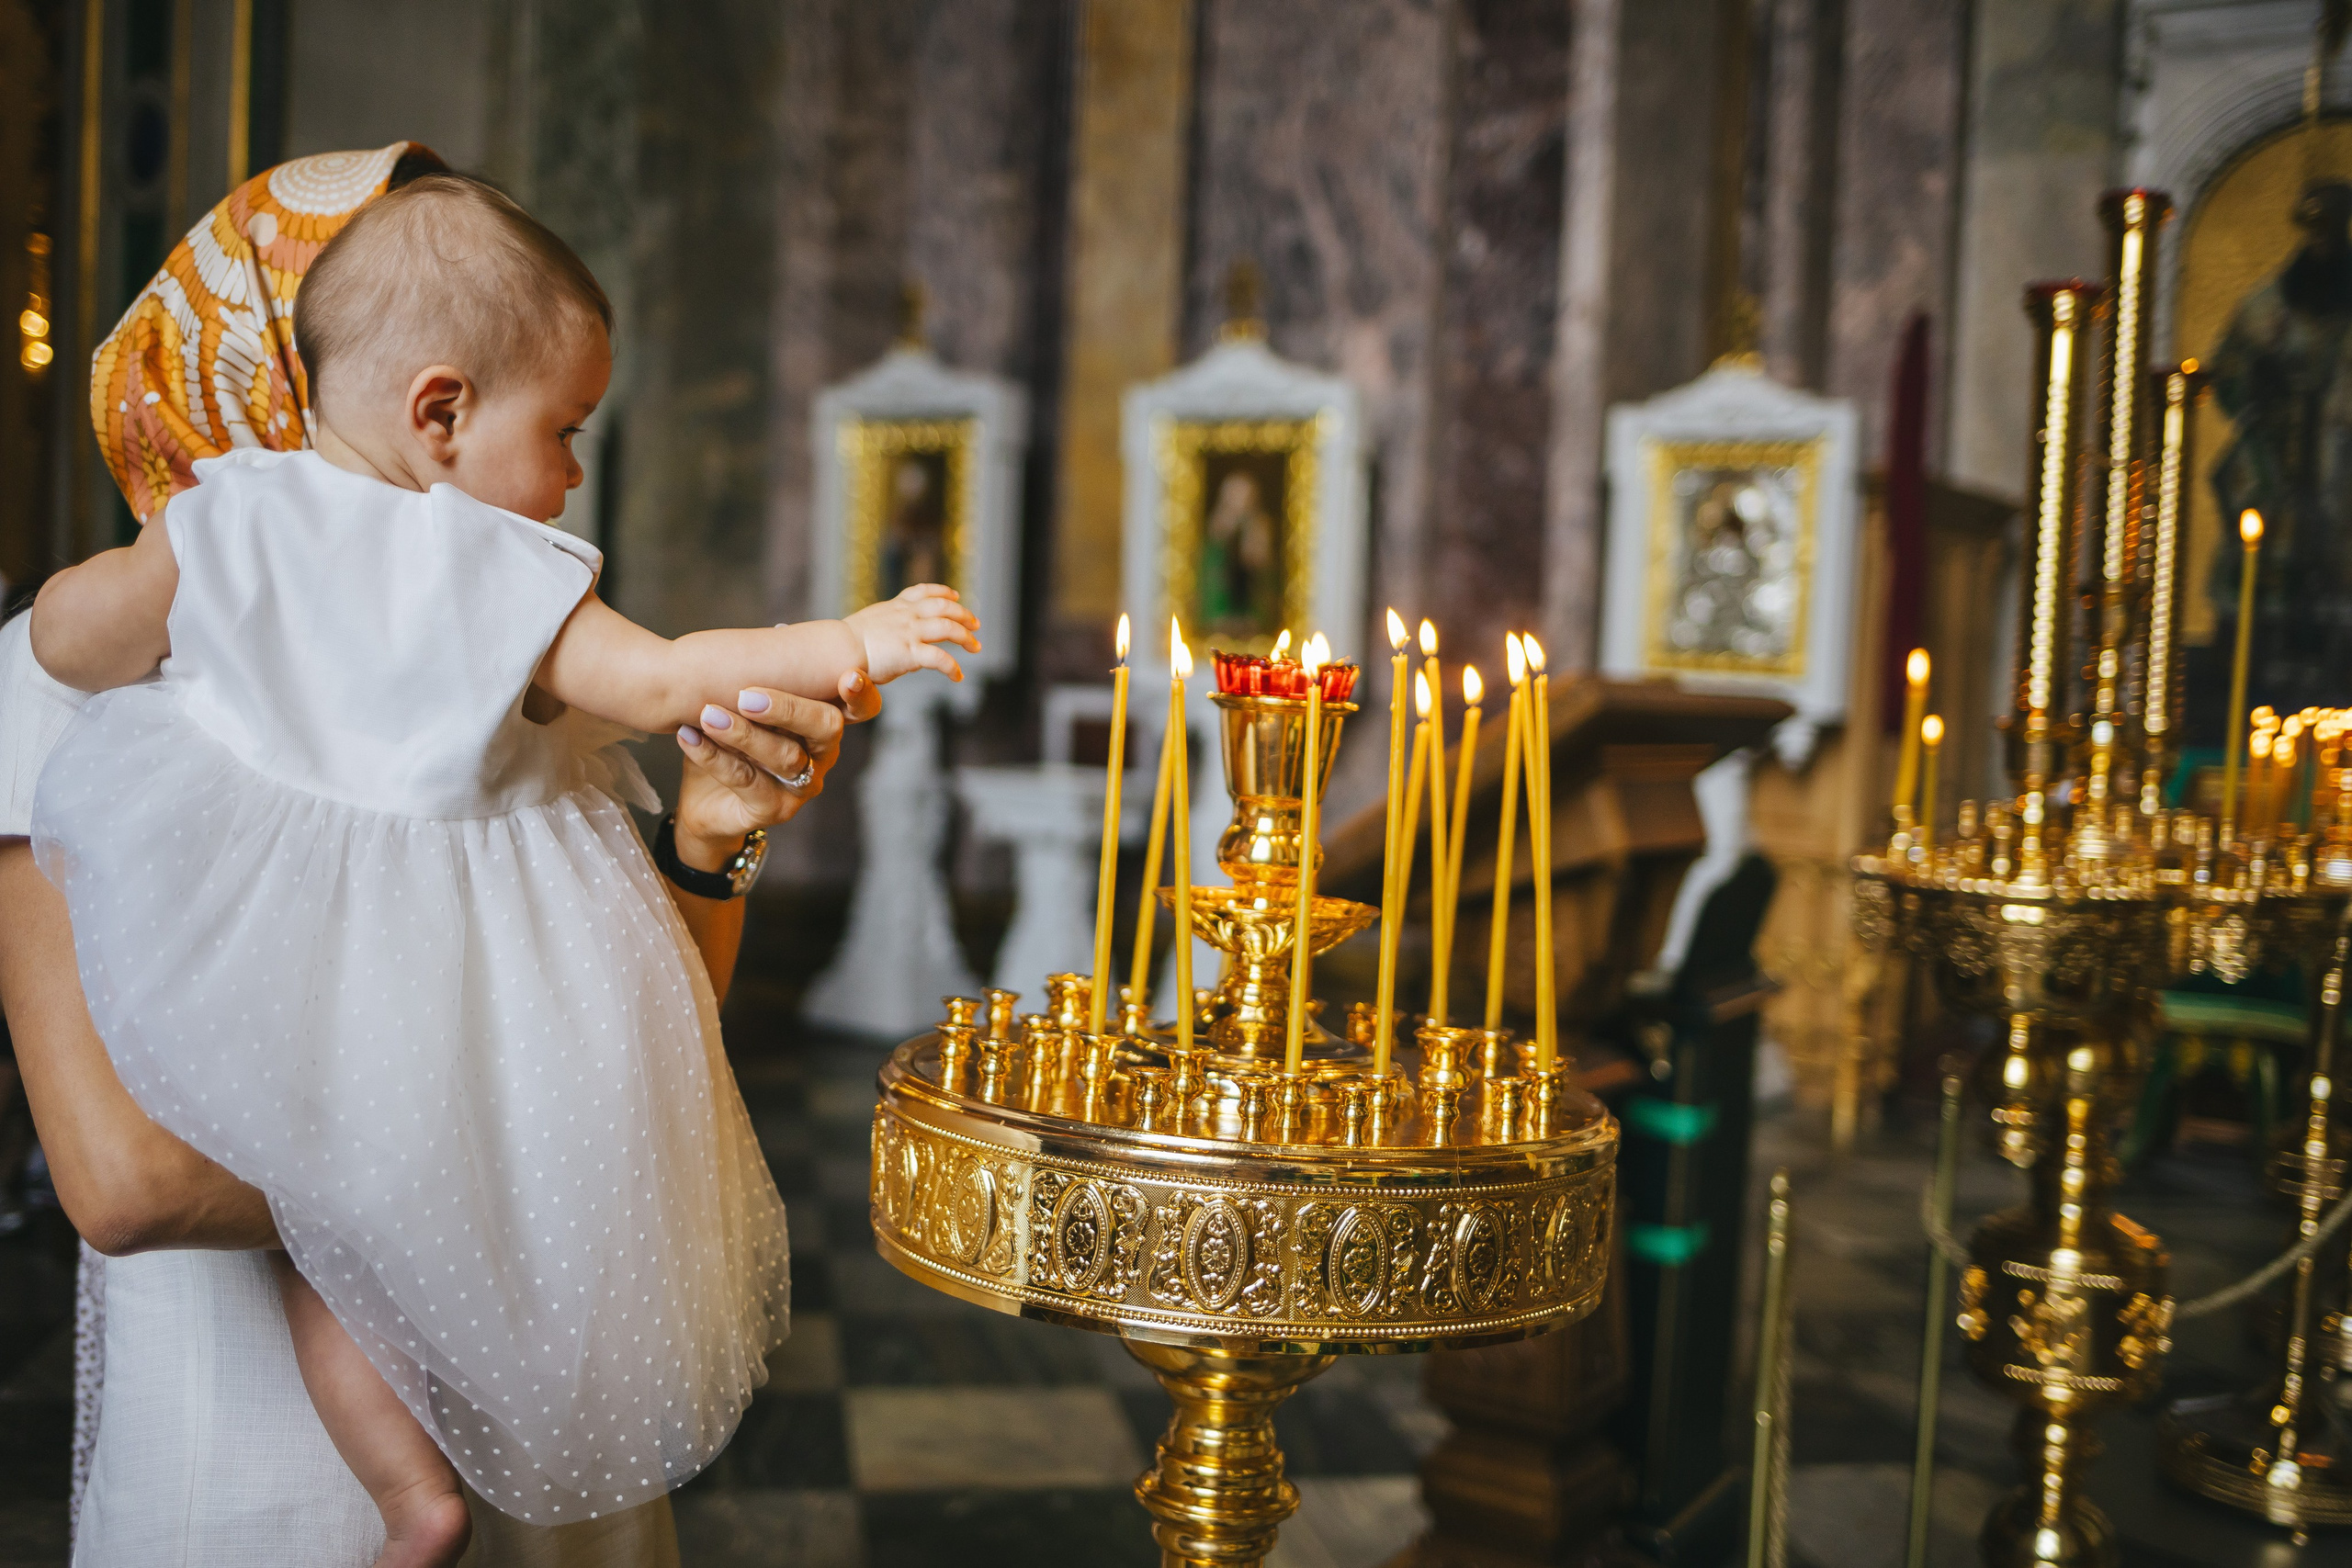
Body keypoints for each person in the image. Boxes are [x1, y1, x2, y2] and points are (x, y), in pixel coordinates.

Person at [23, 171, 975, 1564]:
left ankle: (417, 1498)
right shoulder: (494, 576)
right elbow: (665, 675)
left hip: (263, 951)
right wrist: (852, 634)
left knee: (328, 1278)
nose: (577, 473)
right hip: (275, 1432)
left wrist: (151, 586)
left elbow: (67, 636)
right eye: (569, 431)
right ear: (443, 413)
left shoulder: (229, 518)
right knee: (352, 1258)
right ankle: (415, 1497)